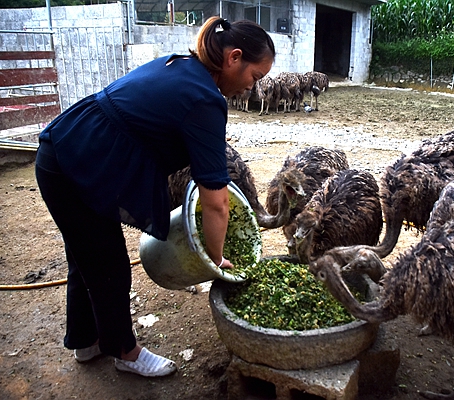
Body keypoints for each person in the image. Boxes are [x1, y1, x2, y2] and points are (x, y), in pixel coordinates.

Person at [34, 16, 275, 377]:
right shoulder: (205, 99)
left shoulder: (182, 64)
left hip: (71, 149)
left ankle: (86, 341)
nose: (250, 89)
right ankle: (125, 353)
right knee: (107, 264)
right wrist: (216, 258)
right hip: (75, 162)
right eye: (254, 77)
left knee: (86, 255)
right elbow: (216, 201)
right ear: (234, 58)